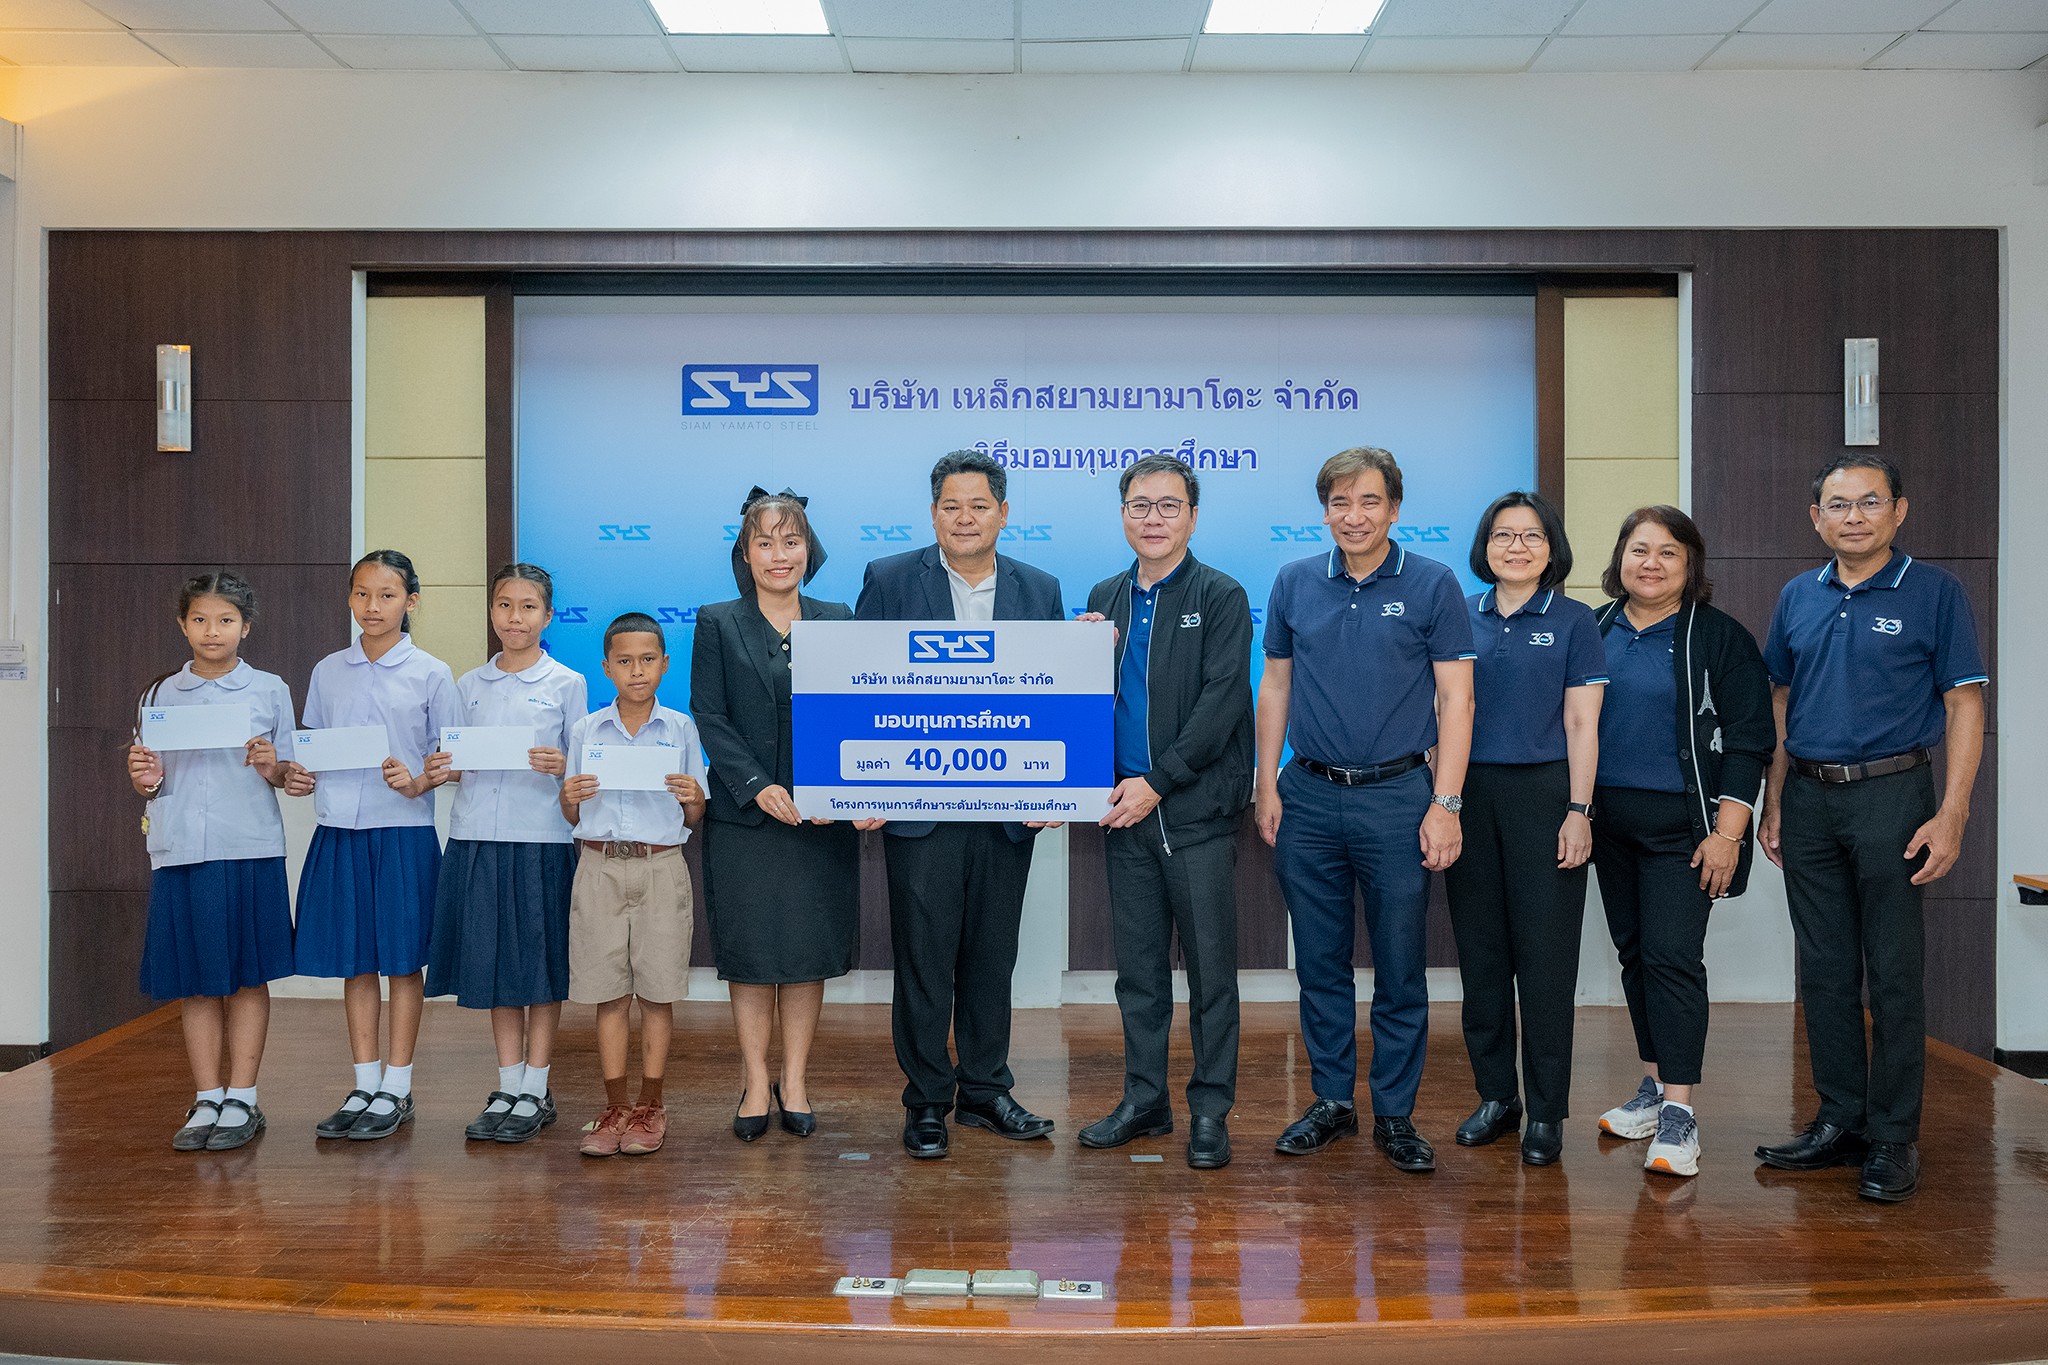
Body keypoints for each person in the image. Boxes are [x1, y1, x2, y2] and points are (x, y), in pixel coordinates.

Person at [1755, 455, 1987, 1204]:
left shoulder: (1935, 592)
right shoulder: (1798, 595)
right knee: (1823, 969)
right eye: (1837, 504)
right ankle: (1840, 1120)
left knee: (1891, 971)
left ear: (1899, 510)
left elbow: (1964, 704)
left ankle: (1892, 1134)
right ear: (1815, 516)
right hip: (1810, 797)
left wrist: (1952, 812)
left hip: (1894, 795)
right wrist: (1774, 800)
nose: (1853, 516)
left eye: (1869, 502)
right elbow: (1781, 701)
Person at [1255, 446, 1475, 1173]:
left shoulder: (1434, 583)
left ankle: (1396, 1113)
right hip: (1309, 796)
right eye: (1340, 503)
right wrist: (1266, 783)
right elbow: (1276, 686)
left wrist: (1446, 803)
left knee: (1400, 967)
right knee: (1320, 964)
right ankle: (1330, 1101)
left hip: (1399, 799)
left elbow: (1457, 700)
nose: (1355, 516)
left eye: (1370, 501)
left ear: (1395, 509)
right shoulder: (1294, 582)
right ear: (1325, 511)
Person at [854, 448, 1065, 1160]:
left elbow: (1055, 696)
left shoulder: (1040, 588)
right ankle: (925, 1100)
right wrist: (862, 783)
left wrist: (1059, 784)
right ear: (933, 513)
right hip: (919, 809)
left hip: (1008, 811)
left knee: (991, 958)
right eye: (952, 506)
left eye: (979, 506)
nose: (965, 518)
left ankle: (984, 1091)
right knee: (923, 959)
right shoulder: (888, 579)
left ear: (1003, 513)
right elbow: (858, 686)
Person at [1076, 454, 1254, 1171]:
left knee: (1211, 973)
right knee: (1139, 973)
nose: (1153, 518)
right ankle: (1145, 1100)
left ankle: (1210, 1110)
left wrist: (1159, 781)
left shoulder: (1222, 595)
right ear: (1123, 515)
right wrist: (1080, 651)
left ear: (1193, 517)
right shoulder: (1106, 595)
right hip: (1125, 813)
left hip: (1194, 813)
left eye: (1169, 505)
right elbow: (1090, 700)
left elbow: (1222, 704)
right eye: (1140, 505)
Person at [1588, 506, 1772, 1179]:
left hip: (1686, 832)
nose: (1652, 563)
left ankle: (1681, 1112)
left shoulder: (1719, 637)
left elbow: (1750, 740)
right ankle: (1653, 1085)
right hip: (1607, 825)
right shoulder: (1593, 629)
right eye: (1640, 549)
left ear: (1690, 564)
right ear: (1620, 557)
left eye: (1669, 551)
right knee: (1635, 955)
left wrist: (1728, 835)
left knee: (1672, 957)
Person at [1444, 492, 1606, 1168]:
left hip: (1546, 798)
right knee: (1481, 959)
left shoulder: (1574, 620)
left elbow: (1582, 723)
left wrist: (1579, 810)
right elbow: (1441, 710)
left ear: (1551, 547)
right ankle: (1496, 1097)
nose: (1517, 546)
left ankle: (1545, 1110)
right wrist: (1443, 799)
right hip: (1468, 797)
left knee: (1545, 964)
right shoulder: (1458, 614)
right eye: (1503, 535)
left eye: (1531, 535)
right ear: (1484, 546)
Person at [692, 487, 857, 1142]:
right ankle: (756, 1080)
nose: (779, 554)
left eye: (791, 541)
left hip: (821, 824)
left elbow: (856, 712)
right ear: (746, 553)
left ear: (809, 549)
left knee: (807, 953)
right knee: (753, 955)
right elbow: (710, 714)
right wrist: (756, 786)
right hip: (746, 820)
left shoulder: (838, 619)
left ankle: (796, 1080)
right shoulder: (716, 621)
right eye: (765, 542)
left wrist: (849, 792)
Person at [289, 550, 459, 1141]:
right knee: (355, 961)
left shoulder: (432, 673)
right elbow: (312, 744)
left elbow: (450, 758)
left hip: (403, 833)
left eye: (387, 595)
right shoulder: (327, 671)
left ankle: (398, 1086)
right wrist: (300, 772)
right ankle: (364, 1083)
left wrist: (418, 781)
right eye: (361, 593)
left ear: (411, 602)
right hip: (339, 830)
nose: (372, 606)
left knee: (402, 962)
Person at [127, 570, 298, 1152]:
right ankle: (207, 1097)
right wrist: (145, 779)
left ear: (245, 627)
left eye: (225, 620)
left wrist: (273, 765)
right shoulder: (158, 695)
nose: (211, 630)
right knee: (195, 982)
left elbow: (289, 774)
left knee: (247, 975)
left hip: (247, 845)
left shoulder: (269, 689)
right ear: (182, 624)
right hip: (180, 850)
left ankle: (243, 1097)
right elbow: (151, 780)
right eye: (199, 619)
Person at [423, 563, 588, 1144]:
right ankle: (508, 1083)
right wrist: (443, 767)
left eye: (528, 607)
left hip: (541, 839)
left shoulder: (567, 683)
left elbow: (583, 765)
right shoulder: (468, 684)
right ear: (491, 610)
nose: (515, 618)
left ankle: (537, 1087)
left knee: (539, 967)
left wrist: (563, 764)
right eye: (504, 605)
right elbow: (452, 760)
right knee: (494, 967)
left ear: (548, 616)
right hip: (475, 838)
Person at [559, 612, 707, 1158]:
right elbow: (571, 811)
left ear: (665, 664)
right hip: (598, 866)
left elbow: (695, 815)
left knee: (657, 991)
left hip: (660, 866)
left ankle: (651, 1104)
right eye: (624, 661)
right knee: (608, 992)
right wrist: (569, 796)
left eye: (647, 660)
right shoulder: (586, 731)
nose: (636, 671)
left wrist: (693, 796)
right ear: (607, 668)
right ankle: (615, 1106)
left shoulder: (680, 728)